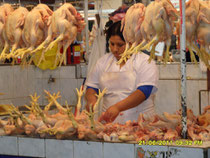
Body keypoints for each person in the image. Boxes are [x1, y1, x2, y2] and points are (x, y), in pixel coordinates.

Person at [85, 19, 159, 124]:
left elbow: (144, 91)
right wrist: (91, 101)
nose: (115, 49)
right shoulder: (103, 62)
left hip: (140, 124)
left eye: (120, 45)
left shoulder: (145, 61)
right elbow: (92, 87)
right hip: (109, 124)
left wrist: (117, 107)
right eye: (112, 44)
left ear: (131, 43)